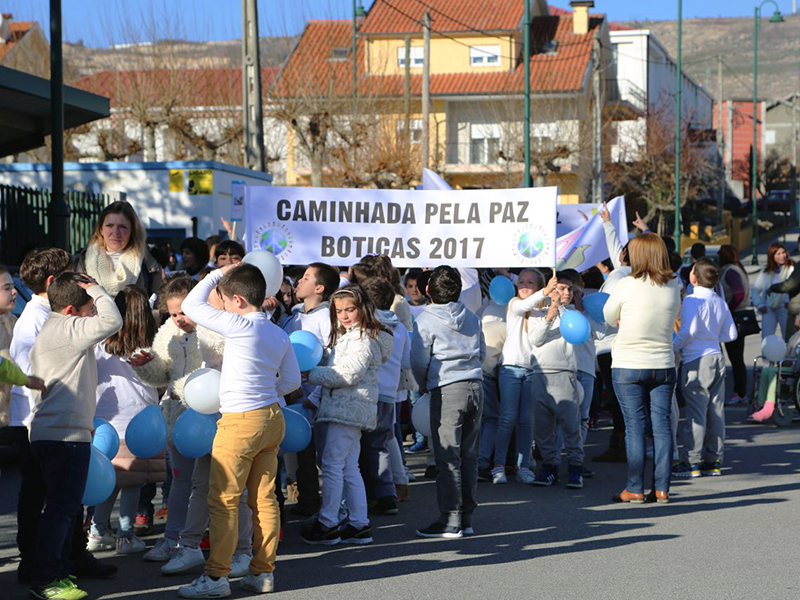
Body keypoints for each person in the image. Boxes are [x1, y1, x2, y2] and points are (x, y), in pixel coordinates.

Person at [179, 263, 301, 597]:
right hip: (272, 417)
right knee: (264, 500)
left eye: (223, 297)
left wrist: (218, 273)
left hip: (239, 420)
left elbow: (190, 304)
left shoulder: (237, 324)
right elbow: (292, 381)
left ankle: (217, 578)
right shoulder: (278, 333)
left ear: (236, 300)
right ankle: (263, 572)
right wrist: (266, 390)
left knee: (224, 500)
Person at [10, 248, 118, 585]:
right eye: (89, 310)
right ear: (72, 310)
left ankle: (54, 572)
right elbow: (114, 321)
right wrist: (97, 289)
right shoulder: (68, 328)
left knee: (57, 510)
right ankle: (49, 579)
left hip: (48, 433)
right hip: (66, 436)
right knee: (60, 511)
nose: (93, 315)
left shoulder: (52, 326)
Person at [301, 284, 391, 546]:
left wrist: (312, 375)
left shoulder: (362, 338)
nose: (344, 315)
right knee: (349, 467)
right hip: (348, 407)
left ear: (362, 308)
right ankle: (359, 523)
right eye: (339, 310)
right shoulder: (351, 335)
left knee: (332, 464)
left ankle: (328, 523)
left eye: (349, 309)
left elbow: (348, 374)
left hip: (349, 408)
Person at [603, 234, 681, 504]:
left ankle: (634, 488)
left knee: (635, 427)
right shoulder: (675, 283)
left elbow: (607, 315)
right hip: (663, 363)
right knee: (662, 428)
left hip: (628, 363)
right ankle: (662, 489)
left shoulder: (626, 284)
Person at [411, 266, 485, 538]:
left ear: (428, 290)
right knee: (469, 456)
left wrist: (423, 384)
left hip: (446, 388)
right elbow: (483, 350)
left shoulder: (426, 319)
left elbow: (419, 360)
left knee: (447, 457)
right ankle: (466, 517)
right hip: (475, 385)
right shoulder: (471, 315)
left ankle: (450, 519)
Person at [89, 285, 164, 555]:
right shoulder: (151, 347)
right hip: (140, 424)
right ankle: (126, 535)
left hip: (104, 423)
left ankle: (97, 530)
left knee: (108, 480)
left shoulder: (99, 343)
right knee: (133, 482)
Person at [671, 258, 737, 479]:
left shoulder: (691, 300)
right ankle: (714, 460)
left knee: (696, 413)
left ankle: (691, 461)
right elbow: (731, 335)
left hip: (696, 360)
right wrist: (711, 336)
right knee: (716, 411)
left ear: (694, 277)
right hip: (717, 356)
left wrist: (674, 346)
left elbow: (688, 331)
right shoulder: (720, 301)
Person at [289, 262, 341, 517]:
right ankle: (308, 501)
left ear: (319, 288)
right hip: (294, 397)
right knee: (302, 455)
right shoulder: (294, 316)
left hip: (318, 398)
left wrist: (315, 396)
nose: (299, 281)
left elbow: (334, 360)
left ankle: (335, 509)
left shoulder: (326, 318)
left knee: (326, 457)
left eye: (307, 278)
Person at [491, 269, 548, 485]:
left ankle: (524, 465)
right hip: (510, 369)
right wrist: (544, 291)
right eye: (521, 281)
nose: (524, 285)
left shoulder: (543, 310)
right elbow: (525, 304)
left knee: (527, 421)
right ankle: (498, 465)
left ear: (538, 285)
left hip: (533, 369)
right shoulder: (515, 304)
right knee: (507, 418)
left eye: (530, 282)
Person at [529, 273, 585, 489]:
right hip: (541, 375)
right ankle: (549, 466)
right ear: (550, 289)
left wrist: (564, 312)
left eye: (570, 289)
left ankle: (575, 467)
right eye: (561, 288)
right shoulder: (539, 313)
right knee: (542, 428)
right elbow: (536, 339)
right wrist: (550, 314)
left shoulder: (574, 315)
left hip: (564, 374)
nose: (566, 293)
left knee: (571, 426)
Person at [360, 277, 407, 515]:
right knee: (381, 445)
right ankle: (387, 493)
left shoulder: (366, 328)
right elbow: (406, 361)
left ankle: (371, 494)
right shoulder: (402, 329)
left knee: (363, 446)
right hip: (390, 394)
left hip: (368, 392)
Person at [594, 204, 632, 463]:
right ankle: (627, 441)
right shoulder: (636, 273)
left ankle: (620, 443)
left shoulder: (619, 277)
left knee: (619, 398)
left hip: (610, 344)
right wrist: (608, 224)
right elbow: (617, 249)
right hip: (625, 344)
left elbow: (606, 310)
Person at [74, 201, 163, 297]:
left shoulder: (148, 264)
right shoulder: (82, 262)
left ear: (132, 231)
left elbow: (159, 305)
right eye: (109, 226)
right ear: (101, 229)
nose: (115, 233)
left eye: (122, 227)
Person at [718, 245, 752, 404]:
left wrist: (728, 308)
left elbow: (738, 293)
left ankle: (740, 392)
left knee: (736, 358)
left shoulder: (729, 271)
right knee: (737, 357)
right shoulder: (737, 269)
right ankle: (741, 391)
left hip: (734, 316)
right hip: (738, 315)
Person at [753, 242, 794, 340]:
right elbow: (755, 290)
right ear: (772, 256)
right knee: (767, 338)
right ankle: (767, 355)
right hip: (769, 308)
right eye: (778, 254)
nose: (782, 256)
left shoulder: (791, 269)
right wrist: (760, 305)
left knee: (788, 338)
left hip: (785, 308)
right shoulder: (766, 272)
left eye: (783, 253)